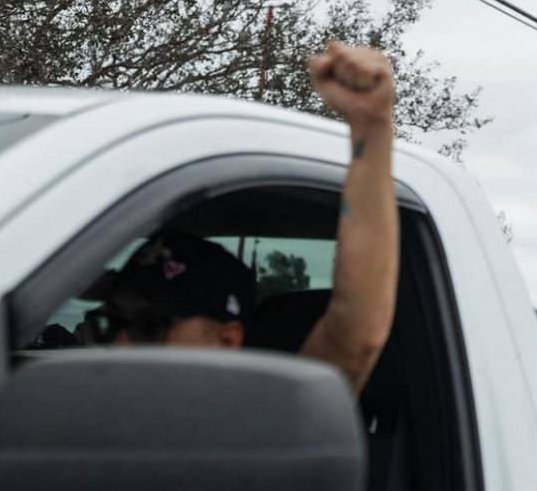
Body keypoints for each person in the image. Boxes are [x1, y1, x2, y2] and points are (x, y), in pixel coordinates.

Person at [88, 42, 398, 396]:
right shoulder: (75, 407)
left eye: (149, 328)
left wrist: (372, 128)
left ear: (226, 339)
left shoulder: (255, 428)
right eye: (109, 323)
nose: (119, 345)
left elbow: (353, 337)